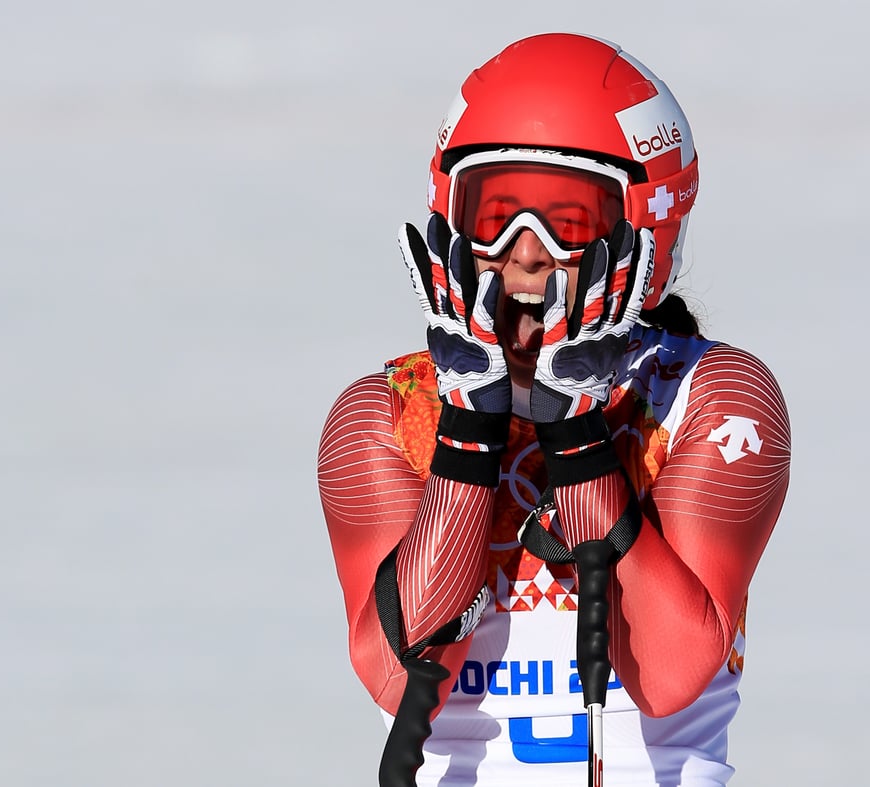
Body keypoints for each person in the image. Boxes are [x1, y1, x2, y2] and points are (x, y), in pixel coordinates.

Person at [317, 32, 790, 787]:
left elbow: (668, 673)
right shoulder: (384, 414)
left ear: (644, 228)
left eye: (568, 219)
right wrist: (468, 435)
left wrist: (578, 441)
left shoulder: (714, 396)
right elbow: (401, 676)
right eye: (495, 211)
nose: (524, 253)